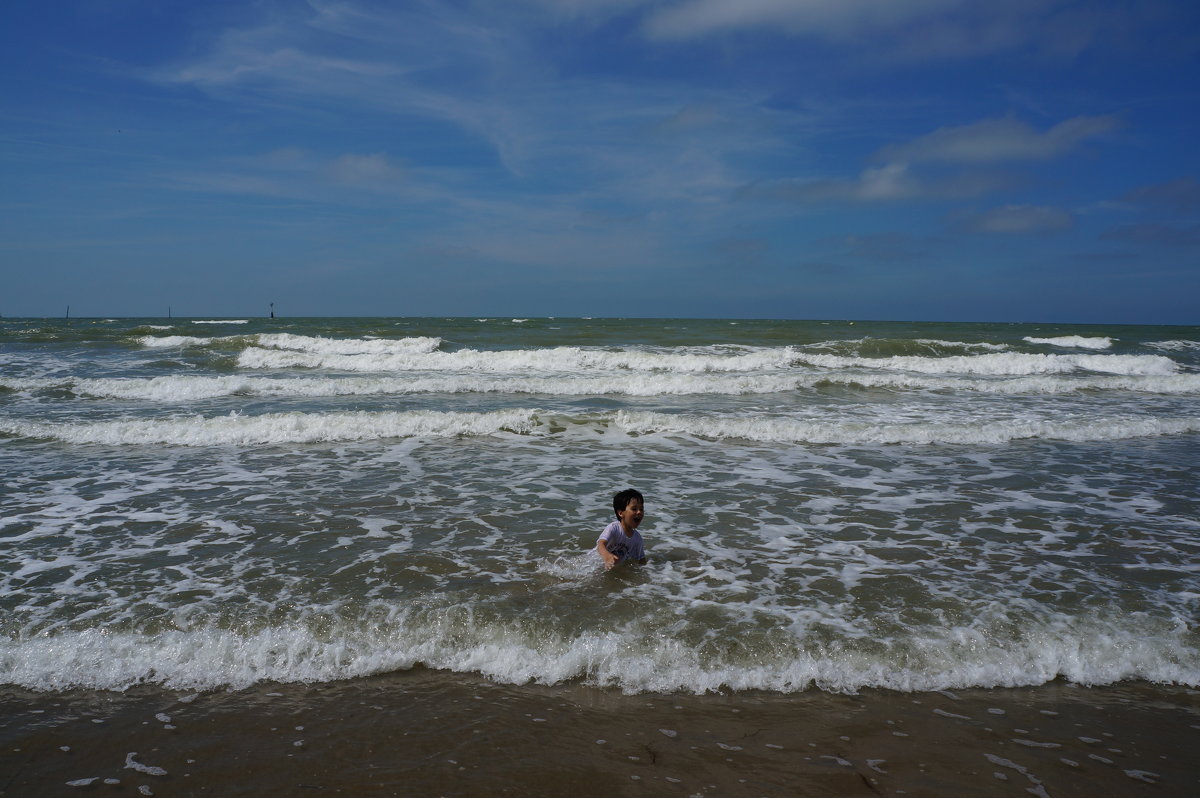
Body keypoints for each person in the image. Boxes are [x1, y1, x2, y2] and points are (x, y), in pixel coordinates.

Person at [596, 488, 646, 570]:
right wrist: (607, 556)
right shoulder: (614, 528)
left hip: (612, 568)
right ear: (620, 513)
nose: (639, 512)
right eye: (634, 509)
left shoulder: (637, 539)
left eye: (641, 509)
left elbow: (641, 560)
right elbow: (600, 544)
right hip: (593, 563)